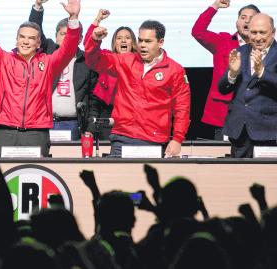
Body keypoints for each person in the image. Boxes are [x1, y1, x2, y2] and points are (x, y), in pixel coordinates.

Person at [0, 0, 81, 156]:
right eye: (22, 37)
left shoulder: (48, 62)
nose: (25, 41)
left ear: (39, 43)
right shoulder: (3, 60)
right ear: (16, 39)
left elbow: (68, 50)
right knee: (3, 178)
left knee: (36, 175)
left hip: (37, 133)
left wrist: (73, 18)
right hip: (6, 131)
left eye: (31, 38)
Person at [85, 16, 191, 158]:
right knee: (116, 180)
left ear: (161, 42)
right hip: (122, 137)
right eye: (140, 40)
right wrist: (94, 40)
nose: (142, 45)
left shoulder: (175, 70)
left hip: (153, 140)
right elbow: (94, 62)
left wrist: (178, 139)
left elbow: (182, 108)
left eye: (148, 41)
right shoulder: (126, 60)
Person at [29, 0, 97, 141]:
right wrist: (38, 6)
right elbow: (35, 30)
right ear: (56, 37)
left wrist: (90, 128)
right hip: (44, 122)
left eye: (70, 33)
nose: (66, 37)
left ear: (80, 39)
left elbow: (93, 99)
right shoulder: (48, 51)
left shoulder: (87, 61)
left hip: (73, 124)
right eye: (62, 34)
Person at [192, 0, 260, 140]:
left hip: (254, 115)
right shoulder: (223, 41)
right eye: (243, 17)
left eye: (251, 18)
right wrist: (215, 6)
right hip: (225, 114)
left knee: (252, 160)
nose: (246, 21)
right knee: (224, 157)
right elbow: (198, 32)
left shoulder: (265, 48)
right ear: (236, 22)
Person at [218, 13, 277, 158]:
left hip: (268, 130)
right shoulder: (240, 52)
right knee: (239, 177)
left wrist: (262, 72)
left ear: (273, 32)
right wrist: (232, 73)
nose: (257, 38)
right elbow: (222, 89)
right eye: (253, 32)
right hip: (239, 130)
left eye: (262, 32)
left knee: (267, 178)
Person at [85, 9, 137, 140]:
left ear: (133, 42)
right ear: (114, 42)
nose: (123, 41)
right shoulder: (107, 59)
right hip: (107, 119)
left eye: (127, 38)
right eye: (119, 38)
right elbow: (89, 47)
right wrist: (97, 20)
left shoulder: (141, 63)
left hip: (133, 119)